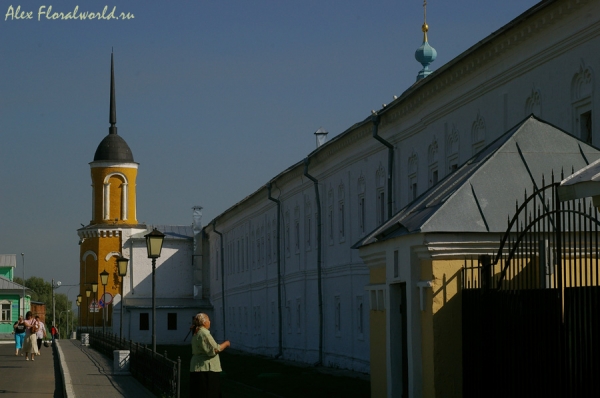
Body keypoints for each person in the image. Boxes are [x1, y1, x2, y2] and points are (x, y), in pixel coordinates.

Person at [189, 313, 230, 398]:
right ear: (204, 322)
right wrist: (226, 344)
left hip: (197, 366)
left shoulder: (196, 332)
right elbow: (214, 349)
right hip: (207, 368)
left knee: (198, 392)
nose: (209, 322)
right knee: (210, 392)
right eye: (208, 320)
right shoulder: (204, 333)